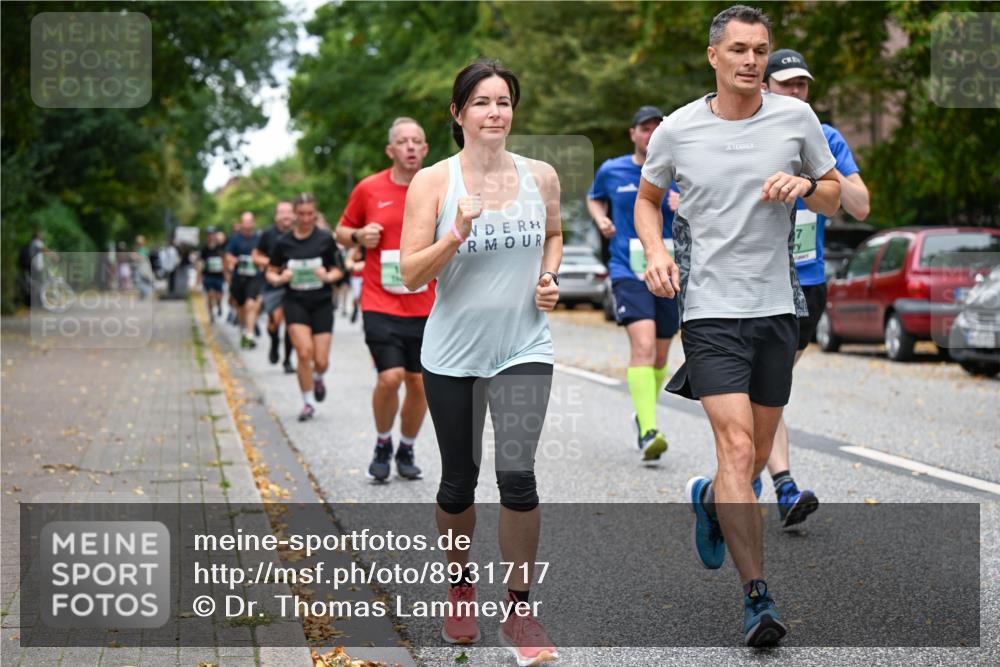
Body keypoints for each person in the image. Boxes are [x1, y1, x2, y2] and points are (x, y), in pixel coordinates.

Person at [635, 5, 840, 647]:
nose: (752, 61)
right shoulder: (678, 129)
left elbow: (835, 192)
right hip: (711, 310)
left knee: (749, 454)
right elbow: (647, 200)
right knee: (739, 450)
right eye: (740, 50)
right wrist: (658, 253)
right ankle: (758, 597)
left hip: (777, 307)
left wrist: (806, 184)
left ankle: (710, 499)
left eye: (761, 49)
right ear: (714, 57)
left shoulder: (795, 117)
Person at [401, 59, 561, 665]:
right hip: (453, 354)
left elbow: (554, 235)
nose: (496, 112)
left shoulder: (540, 175)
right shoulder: (434, 183)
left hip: (524, 344)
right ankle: (461, 585)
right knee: (458, 480)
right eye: (483, 103)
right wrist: (455, 234)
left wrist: (547, 278)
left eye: (504, 102)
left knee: (517, 475)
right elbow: (412, 273)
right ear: (458, 113)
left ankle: (519, 610)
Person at [756, 48, 871, 526]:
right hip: (756, 279)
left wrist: (814, 173)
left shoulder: (826, 137)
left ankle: (750, 471)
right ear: (764, 87)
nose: (797, 92)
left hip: (807, 283)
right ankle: (782, 484)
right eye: (787, 84)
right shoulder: (746, 134)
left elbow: (860, 206)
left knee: (770, 387)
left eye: (802, 84)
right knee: (766, 385)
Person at [337, 117, 434, 483]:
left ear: (425, 149)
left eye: (416, 141)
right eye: (402, 141)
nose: (410, 146)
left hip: (426, 304)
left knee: (420, 383)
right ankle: (382, 442)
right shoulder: (368, 189)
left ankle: (406, 447)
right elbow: (341, 232)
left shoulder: (439, 186)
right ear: (390, 150)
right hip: (380, 302)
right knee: (390, 377)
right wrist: (360, 235)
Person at [587, 106, 682, 461]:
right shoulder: (613, 169)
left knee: (660, 354)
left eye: (658, 128)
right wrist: (601, 219)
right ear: (633, 134)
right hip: (628, 270)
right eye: (645, 128)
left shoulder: (679, 170)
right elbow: (594, 197)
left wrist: (684, 201)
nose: (651, 133)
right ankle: (648, 430)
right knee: (642, 345)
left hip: (670, 271)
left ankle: (643, 412)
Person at [267, 193, 345, 422]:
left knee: (321, 360)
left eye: (310, 213)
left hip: (321, 303)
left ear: (315, 213)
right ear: (294, 214)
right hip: (295, 302)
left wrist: (328, 276)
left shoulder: (325, 239)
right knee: (303, 353)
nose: (306, 218)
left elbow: (339, 270)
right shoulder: (283, 242)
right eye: (301, 214)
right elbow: (270, 271)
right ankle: (308, 402)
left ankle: (318, 377)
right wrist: (280, 278)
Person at [255, 201, 296, 373]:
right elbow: (256, 256)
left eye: (289, 211)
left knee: (291, 323)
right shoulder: (268, 234)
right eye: (282, 212)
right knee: (274, 322)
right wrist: (273, 264)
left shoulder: (299, 233)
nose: (286, 215)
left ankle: (287, 360)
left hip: (294, 284)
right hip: (273, 283)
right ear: (276, 216)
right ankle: (274, 342)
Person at [225, 212, 264, 348]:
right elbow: (228, 255)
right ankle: (244, 331)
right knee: (241, 307)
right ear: (241, 224)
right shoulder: (235, 240)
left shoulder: (259, 239)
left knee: (251, 304)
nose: (247, 224)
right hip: (239, 278)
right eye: (245, 222)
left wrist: (259, 260)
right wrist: (234, 260)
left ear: (253, 223)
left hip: (254, 278)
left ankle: (250, 335)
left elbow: (264, 255)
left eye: (249, 221)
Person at [199, 228, 226, 322]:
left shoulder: (220, 247)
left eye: (212, 234)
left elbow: (225, 259)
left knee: (219, 295)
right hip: (208, 275)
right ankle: (211, 314)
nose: (211, 236)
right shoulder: (205, 249)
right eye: (209, 234)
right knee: (210, 295)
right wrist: (200, 277)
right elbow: (201, 263)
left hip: (219, 275)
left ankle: (219, 305)